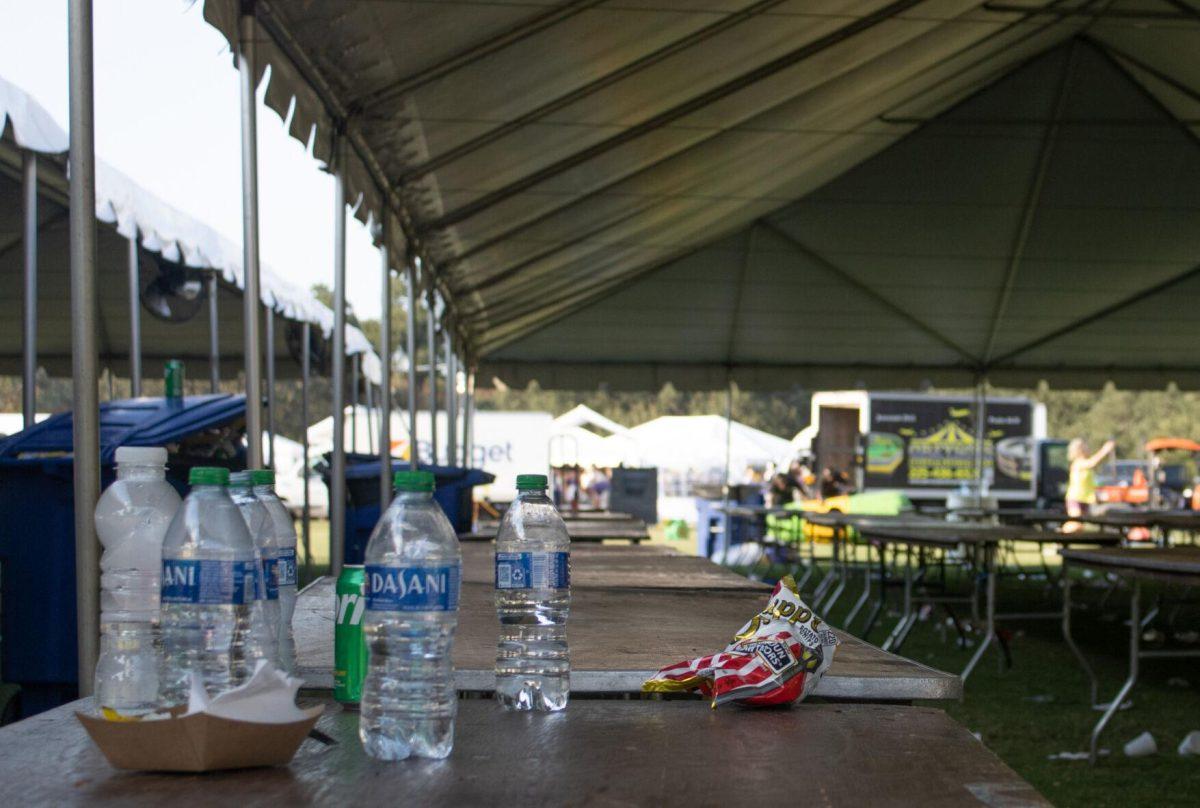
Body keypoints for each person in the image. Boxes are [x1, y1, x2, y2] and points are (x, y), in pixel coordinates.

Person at [1063, 438, 1116, 532]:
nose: (1088, 449)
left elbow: (1089, 483)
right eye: (1085, 447)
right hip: (1075, 498)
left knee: (1080, 527)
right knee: (1075, 524)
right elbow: (1093, 462)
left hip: (1085, 499)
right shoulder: (1078, 463)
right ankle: (1059, 538)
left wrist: (1098, 494)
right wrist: (1105, 449)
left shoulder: (1086, 466)